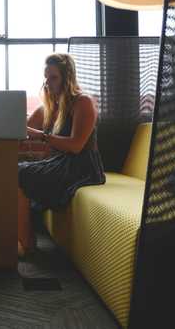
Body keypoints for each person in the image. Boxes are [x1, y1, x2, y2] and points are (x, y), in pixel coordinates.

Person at [18, 53, 106, 256]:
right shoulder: (49, 106)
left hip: (82, 167)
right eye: (46, 77)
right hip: (60, 163)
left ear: (67, 78)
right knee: (14, 170)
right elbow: (23, 130)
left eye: (53, 77)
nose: (47, 83)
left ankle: (25, 242)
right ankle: (23, 237)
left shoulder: (82, 102)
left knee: (19, 174)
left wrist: (41, 136)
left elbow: (76, 146)